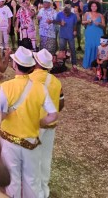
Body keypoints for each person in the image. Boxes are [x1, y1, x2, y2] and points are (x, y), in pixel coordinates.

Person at [0, 47, 58, 198]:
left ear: (15, 65)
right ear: (31, 66)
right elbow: (53, 115)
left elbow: (2, 116)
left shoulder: (6, 87)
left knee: (13, 180)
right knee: (32, 180)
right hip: (31, 141)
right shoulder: (40, 88)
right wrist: (39, 122)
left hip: (10, 141)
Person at [32, 49, 64, 198]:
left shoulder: (30, 78)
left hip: (33, 124)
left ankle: (33, 191)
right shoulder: (56, 82)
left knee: (32, 158)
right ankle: (44, 191)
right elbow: (61, 104)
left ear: (36, 63)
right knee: (46, 158)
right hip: (51, 124)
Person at [54, 1, 79, 71]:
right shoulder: (59, 14)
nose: (66, 15)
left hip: (70, 35)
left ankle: (74, 63)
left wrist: (75, 30)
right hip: (62, 34)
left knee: (72, 49)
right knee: (62, 49)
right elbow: (55, 22)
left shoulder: (73, 15)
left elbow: (75, 24)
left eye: (68, 14)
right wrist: (60, 23)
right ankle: (62, 63)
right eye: (65, 14)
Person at [82, 1, 104, 70]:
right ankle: (88, 64)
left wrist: (99, 24)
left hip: (98, 33)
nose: (93, 7)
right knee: (89, 46)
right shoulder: (87, 13)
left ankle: (97, 64)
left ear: (97, 7)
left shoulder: (100, 15)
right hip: (89, 32)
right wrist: (87, 22)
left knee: (97, 47)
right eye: (92, 6)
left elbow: (104, 25)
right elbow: (82, 22)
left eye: (95, 6)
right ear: (90, 7)